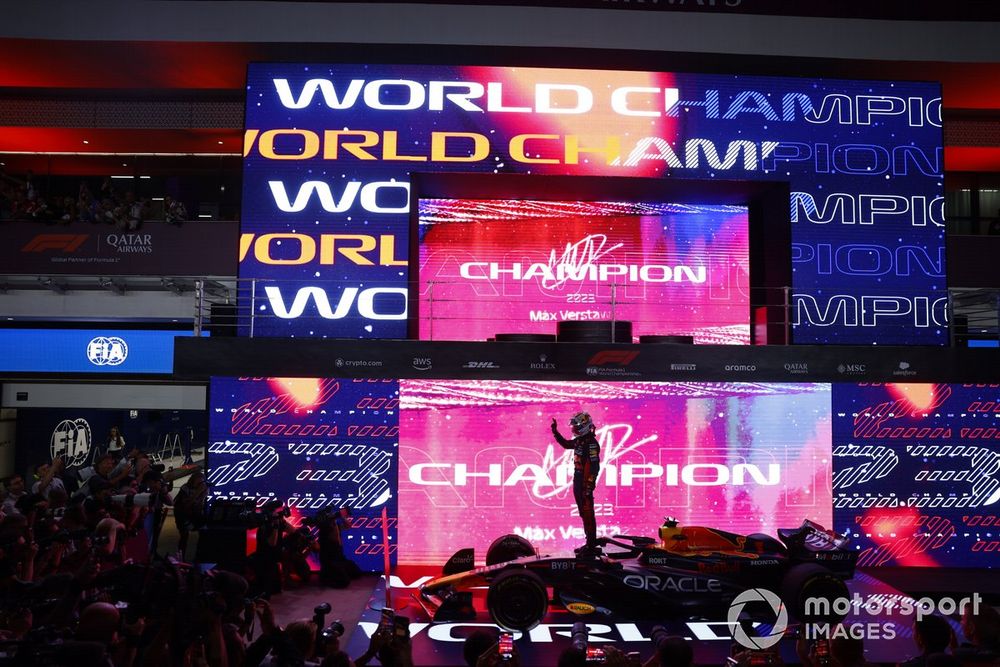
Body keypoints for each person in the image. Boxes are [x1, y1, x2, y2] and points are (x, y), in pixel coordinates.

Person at [550, 412, 601, 553]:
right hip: (577, 479)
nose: (573, 428)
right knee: (583, 513)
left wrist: (589, 486)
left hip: (584, 482)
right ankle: (589, 543)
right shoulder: (580, 440)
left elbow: (594, 467)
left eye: (576, 426)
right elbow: (567, 444)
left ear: (584, 426)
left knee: (588, 513)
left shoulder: (591, 444)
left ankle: (591, 545)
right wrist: (555, 432)